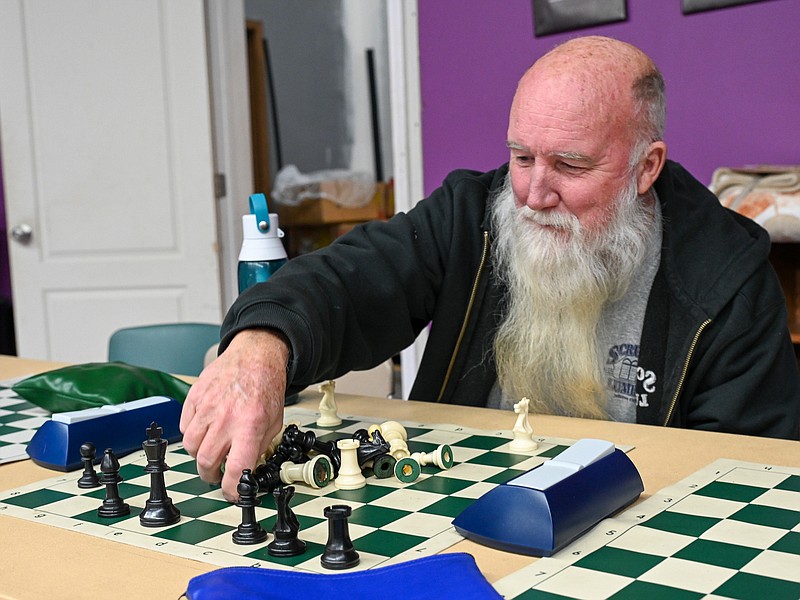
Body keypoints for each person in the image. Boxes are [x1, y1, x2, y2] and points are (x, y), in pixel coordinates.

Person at [181, 36, 800, 501]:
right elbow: (349, 278)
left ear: (646, 168)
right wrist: (261, 346)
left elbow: (749, 479)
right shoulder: (473, 213)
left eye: (571, 166)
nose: (532, 193)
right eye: (521, 155)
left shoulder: (727, 279)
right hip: (461, 516)